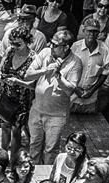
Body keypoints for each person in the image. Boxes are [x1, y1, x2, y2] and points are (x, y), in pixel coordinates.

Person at [22, 31, 82, 164]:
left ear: (66, 47)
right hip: (37, 110)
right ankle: (32, 173)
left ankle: (48, 174)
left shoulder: (75, 62)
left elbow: (70, 90)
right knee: (34, 145)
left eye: (55, 45)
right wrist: (45, 70)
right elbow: (27, 75)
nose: (51, 46)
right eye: (51, 43)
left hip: (56, 116)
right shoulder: (45, 52)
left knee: (51, 150)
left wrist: (58, 75)